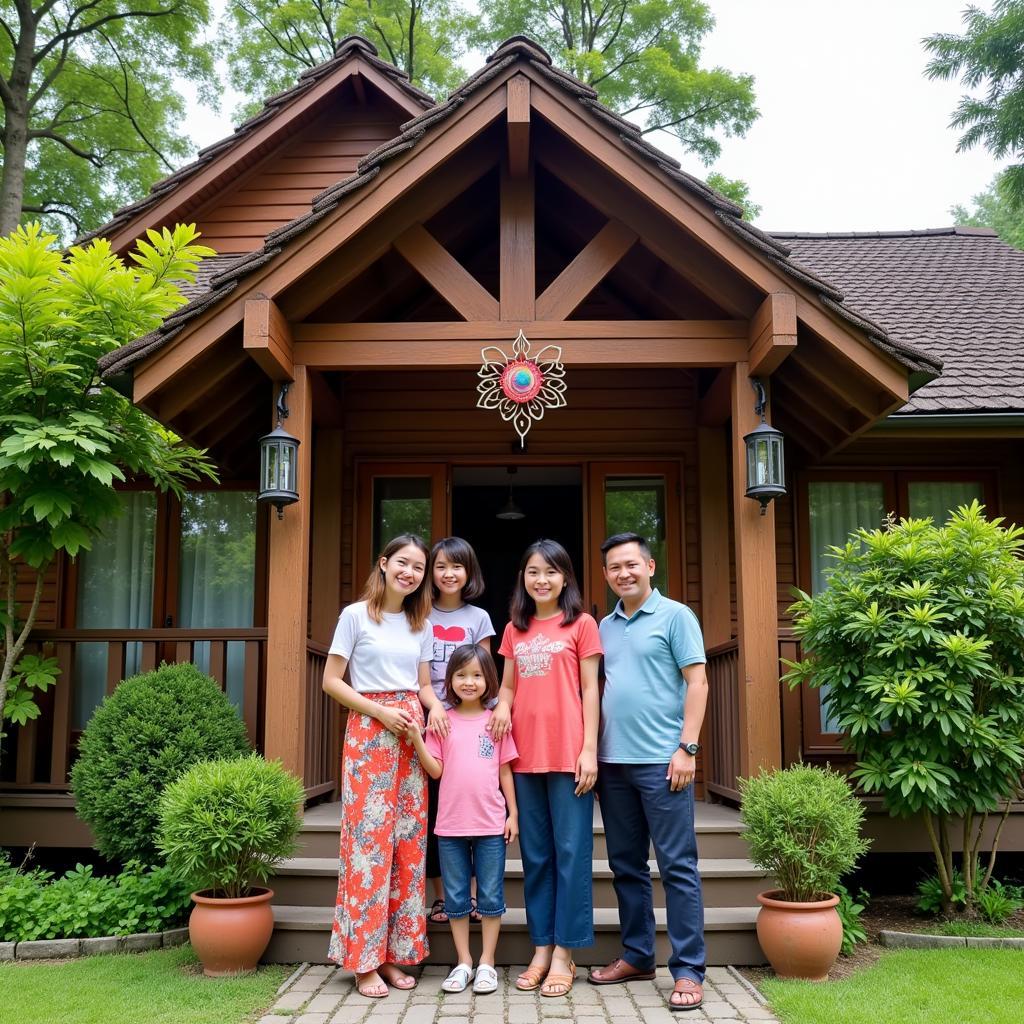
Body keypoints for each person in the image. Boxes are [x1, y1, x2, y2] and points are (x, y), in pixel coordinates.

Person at [321, 534, 450, 999]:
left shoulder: (422, 622)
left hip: (410, 735)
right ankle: (363, 962)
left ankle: (396, 955)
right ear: (384, 563)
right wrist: (379, 712)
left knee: (408, 848)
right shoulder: (356, 616)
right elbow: (331, 681)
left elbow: (422, 686)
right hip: (370, 734)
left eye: (419, 567)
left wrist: (433, 709)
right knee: (369, 848)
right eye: (403, 563)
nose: (410, 573)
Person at [588, 532, 710, 1012]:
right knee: (626, 866)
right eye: (615, 567)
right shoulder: (604, 625)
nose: (624, 573)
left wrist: (688, 748)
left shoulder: (677, 616)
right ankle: (638, 955)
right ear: (606, 575)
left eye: (631, 564)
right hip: (613, 763)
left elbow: (696, 682)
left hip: (664, 763)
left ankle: (688, 970)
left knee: (677, 866)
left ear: (650, 566)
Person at [489, 539, 602, 998]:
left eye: (551, 572)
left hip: (569, 754)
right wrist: (500, 707)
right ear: (524, 578)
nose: (541, 580)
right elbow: (510, 688)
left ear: (565, 578)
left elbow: (591, 690)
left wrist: (589, 749)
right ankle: (541, 946)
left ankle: (565, 953)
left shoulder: (582, 624)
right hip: (524, 756)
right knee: (536, 857)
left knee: (572, 855)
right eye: (533, 572)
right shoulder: (515, 629)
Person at [407, 643, 518, 995]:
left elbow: (504, 772)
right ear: (449, 680)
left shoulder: (496, 721)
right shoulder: (441, 722)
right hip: (451, 825)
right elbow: (436, 771)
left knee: (489, 896)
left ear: (489, 680)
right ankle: (464, 962)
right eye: (461, 675)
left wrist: (513, 813)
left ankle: (487, 961)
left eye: (476, 675)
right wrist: (418, 739)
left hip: (489, 824)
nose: (469, 682)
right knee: (455, 898)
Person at [425, 537, 496, 926]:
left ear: (469, 572)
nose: (448, 574)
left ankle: (470, 895)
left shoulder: (478, 617)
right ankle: (441, 897)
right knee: (436, 805)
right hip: (429, 716)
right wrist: (432, 706)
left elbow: (483, 668)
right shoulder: (418, 613)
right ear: (431, 573)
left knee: (468, 802)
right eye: (441, 566)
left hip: (468, 718)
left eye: (457, 566)